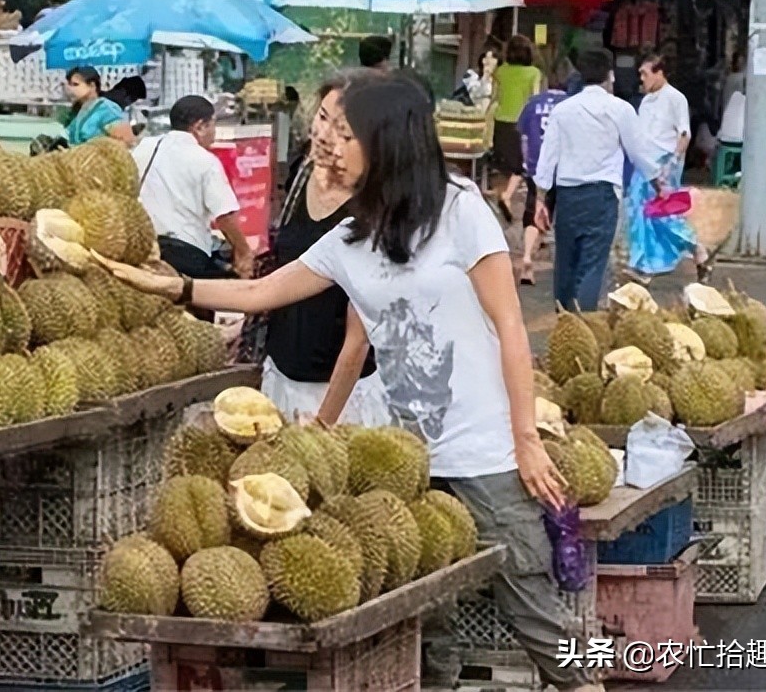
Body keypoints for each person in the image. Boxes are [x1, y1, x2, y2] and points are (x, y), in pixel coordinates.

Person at [99, 78, 601, 692]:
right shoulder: (349, 238)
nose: (330, 143)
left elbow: (511, 327)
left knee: (541, 619)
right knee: (424, 632)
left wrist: (525, 437)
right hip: (403, 468)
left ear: (387, 142)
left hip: (486, 454)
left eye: (346, 132)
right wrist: (175, 287)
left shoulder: (460, 208)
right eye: (330, 130)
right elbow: (261, 293)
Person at [260, 69, 391, 427]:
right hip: (282, 375)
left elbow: (359, 340)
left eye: (341, 127)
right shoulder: (304, 172)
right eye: (321, 117)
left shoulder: (373, 208)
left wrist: (323, 424)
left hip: (338, 398)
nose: (324, 133)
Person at [534, 49, 662, 312]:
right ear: (610, 76)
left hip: (568, 197)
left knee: (566, 262)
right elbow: (639, 152)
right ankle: (584, 324)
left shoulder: (563, 110)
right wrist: (659, 184)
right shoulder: (621, 110)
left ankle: (565, 321)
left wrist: (539, 200)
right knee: (592, 264)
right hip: (602, 197)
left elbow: (547, 158)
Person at [134, 95, 254, 281]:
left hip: (146, 251)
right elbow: (224, 216)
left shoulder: (145, 147)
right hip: (188, 256)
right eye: (213, 124)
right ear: (200, 126)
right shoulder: (205, 161)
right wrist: (244, 252)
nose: (214, 131)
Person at [625, 54, 711, 283]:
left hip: (664, 163)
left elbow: (684, 133)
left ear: (659, 72)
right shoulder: (646, 102)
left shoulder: (676, 98)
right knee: (639, 212)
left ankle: (695, 248)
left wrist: (672, 163)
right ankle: (644, 265)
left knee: (663, 214)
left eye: (645, 73)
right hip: (645, 163)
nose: (642, 79)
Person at [514, 60, 570, 286]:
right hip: (562, 168)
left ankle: (527, 257)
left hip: (536, 167)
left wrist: (527, 163)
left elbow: (524, 136)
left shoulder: (532, 104)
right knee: (558, 215)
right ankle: (561, 264)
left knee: (532, 213)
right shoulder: (570, 105)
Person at [491, 35, 545, 222]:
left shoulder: (500, 71)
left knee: (508, 164)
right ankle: (507, 195)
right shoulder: (534, 73)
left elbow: (495, 96)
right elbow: (535, 99)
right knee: (523, 164)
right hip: (522, 123)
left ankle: (505, 196)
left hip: (500, 122)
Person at [63, 67, 135, 147]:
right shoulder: (77, 113)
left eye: (75, 84)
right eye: (69, 85)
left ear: (92, 86)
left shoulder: (106, 109)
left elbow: (127, 141)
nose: (70, 89)